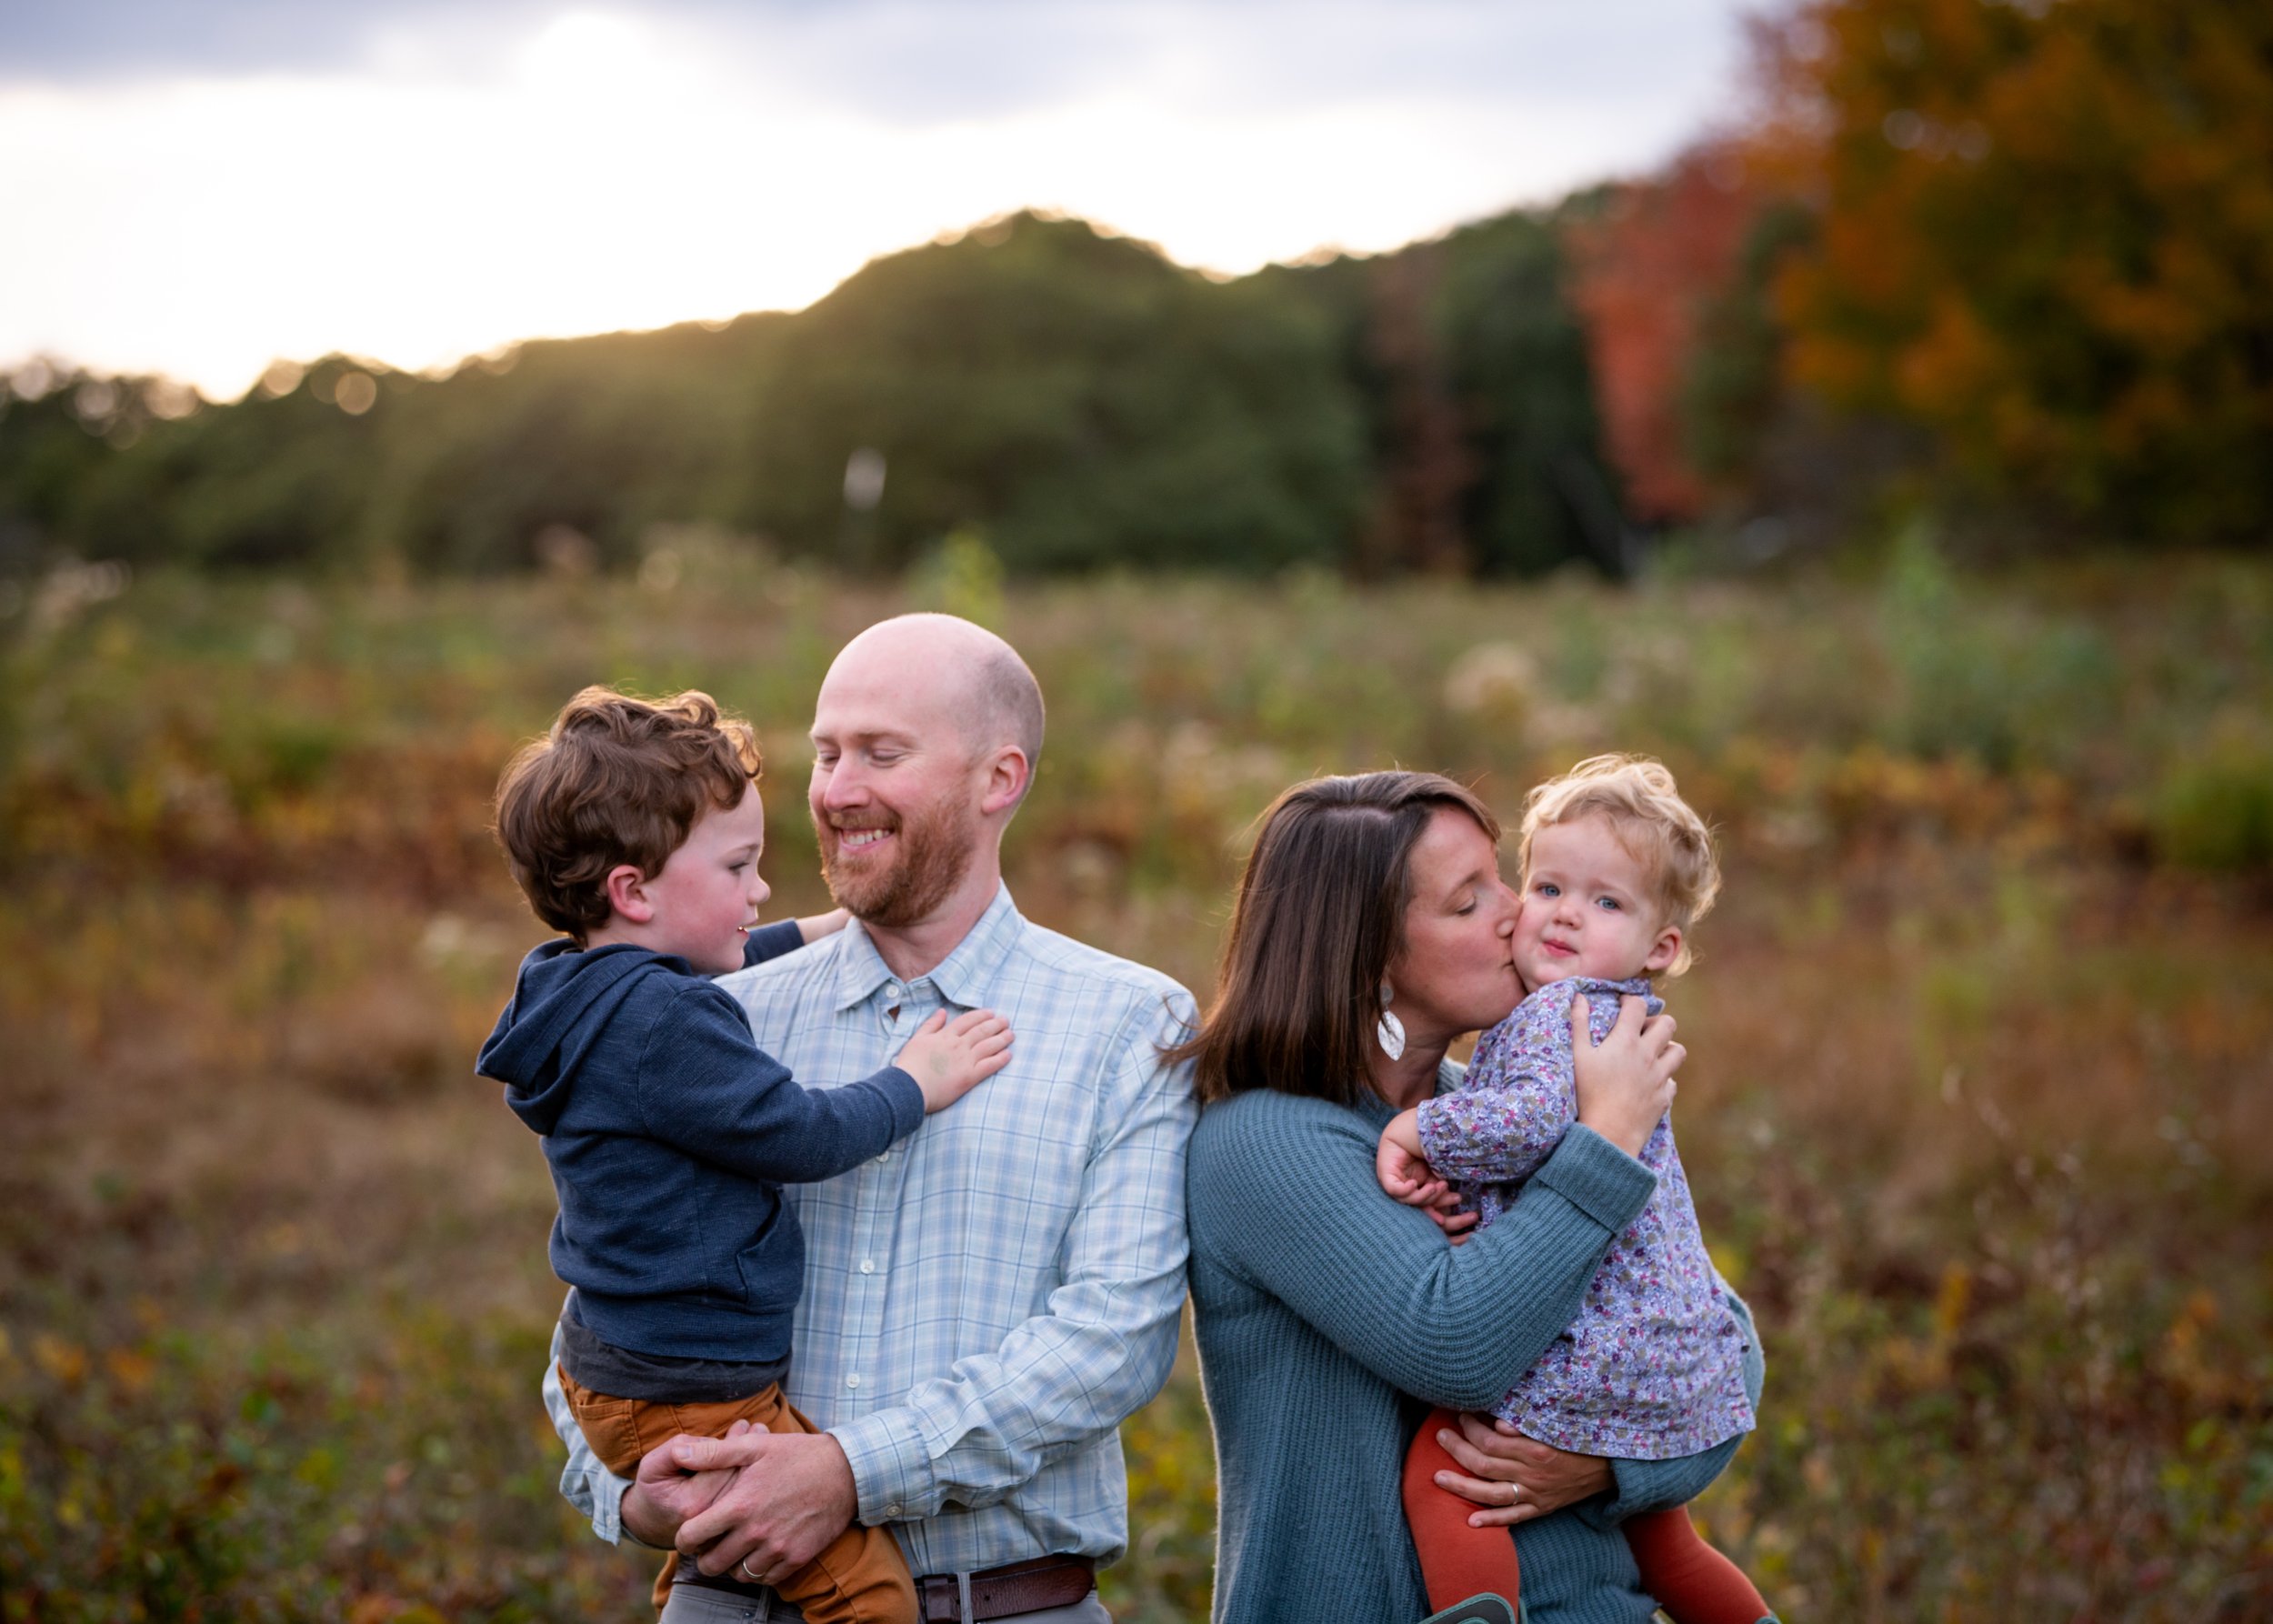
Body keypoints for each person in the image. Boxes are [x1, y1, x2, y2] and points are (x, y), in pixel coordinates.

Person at [540, 616, 1198, 1624]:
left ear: (999, 778)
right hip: (730, 1603)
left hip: (1010, 1606)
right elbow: (606, 1306)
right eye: (826, 751)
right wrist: (628, 1496)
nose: (837, 789)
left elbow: (1111, 1337)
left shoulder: (1126, 1022)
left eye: (882, 753)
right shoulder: (716, 1013)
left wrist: (851, 1472)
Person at [480, 687, 1016, 1622]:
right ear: (633, 889)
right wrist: (914, 1080)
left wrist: (808, 934)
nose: (761, 888)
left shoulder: (574, 985)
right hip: (689, 1389)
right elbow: (801, 1134)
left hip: (616, 1366)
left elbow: (673, 959)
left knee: (738, 1550)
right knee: (872, 1596)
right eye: (738, 867)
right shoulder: (663, 1026)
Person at [1178, 770, 1766, 1624]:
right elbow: (1456, 1345)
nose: (1519, 913)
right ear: (1370, 956)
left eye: (1505, 876)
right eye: (1467, 903)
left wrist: (1608, 1463)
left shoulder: (1495, 1114)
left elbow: (1725, 1342)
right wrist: (1604, 1144)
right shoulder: (1267, 1143)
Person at [1377, 757, 1769, 1622]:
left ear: (1661, 948)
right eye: (1548, 885)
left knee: (1442, 1476)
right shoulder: (1614, 1015)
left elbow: (1535, 1122)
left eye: (1606, 902)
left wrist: (1421, 1131)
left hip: (1587, 1340)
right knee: (1670, 1546)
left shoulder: (1569, 1015)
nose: (1562, 915)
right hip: (1656, 1339)